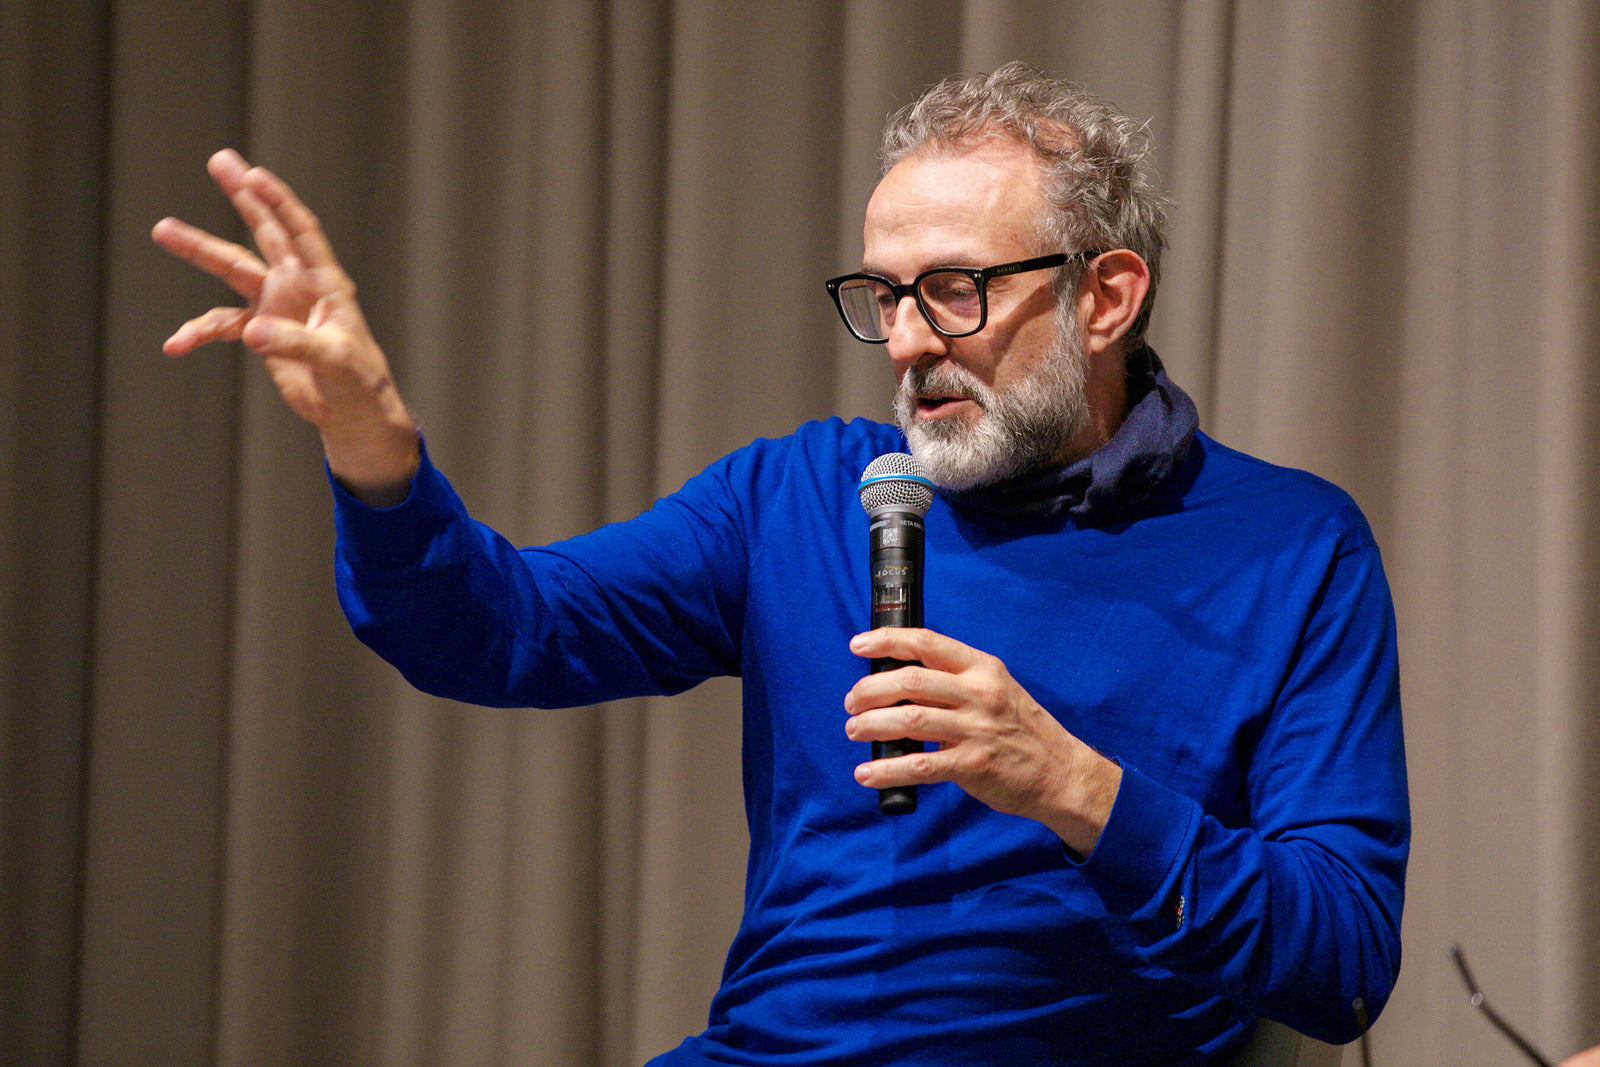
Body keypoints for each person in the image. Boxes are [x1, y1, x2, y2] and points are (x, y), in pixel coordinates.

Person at [154, 63, 1408, 1066]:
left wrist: (1072, 782)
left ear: (1105, 296)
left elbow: (1341, 957)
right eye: (885, 295)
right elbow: (500, 630)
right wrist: (374, 445)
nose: (910, 342)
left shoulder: (1291, 546)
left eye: (957, 292)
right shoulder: (806, 495)